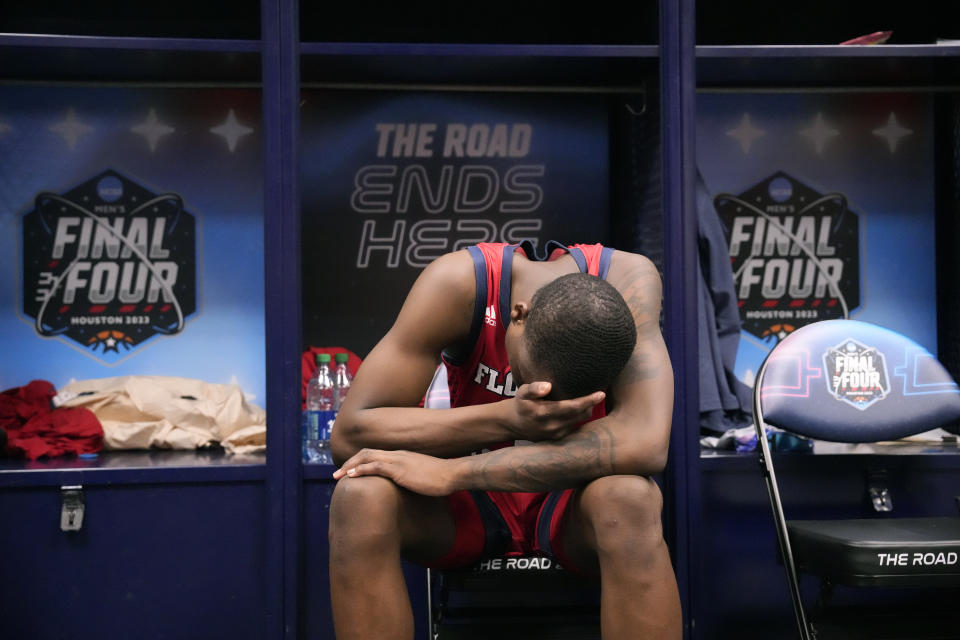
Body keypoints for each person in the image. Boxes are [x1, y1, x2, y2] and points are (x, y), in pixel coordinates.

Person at [328, 240, 681, 640]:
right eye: (532, 383)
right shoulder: (459, 283)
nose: (546, 403)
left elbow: (647, 443)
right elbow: (350, 433)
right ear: (518, 315)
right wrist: (507, 417)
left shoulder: (629, 282)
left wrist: (453, 472)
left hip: (574, 505)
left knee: (631, 499)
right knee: (359, 497)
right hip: (471, 514)